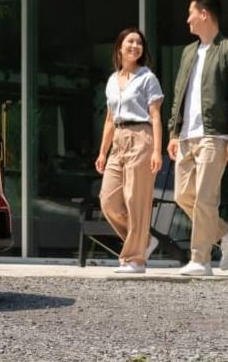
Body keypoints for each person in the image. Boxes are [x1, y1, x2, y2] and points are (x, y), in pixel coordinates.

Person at [167, 0, 228, 276]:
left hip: (215, 136)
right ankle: (227, 234)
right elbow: (180, 93)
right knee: (182, 194)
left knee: (204, 198)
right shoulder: (188, 52)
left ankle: (200, 260)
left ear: (204, 14)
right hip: (187, 137)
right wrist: (174, 133)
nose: (187, 19)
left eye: (191, 13)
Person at [95, 28, 164, 274]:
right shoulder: (113, 80)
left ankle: (136, 259)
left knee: (136, 199)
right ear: (119, 48)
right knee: (109, 200)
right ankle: (144, 241)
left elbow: (156, 116)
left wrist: (157, 150)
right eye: (130, 42)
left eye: (139, 43)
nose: (135, 46)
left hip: (141, 137)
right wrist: (103, 152)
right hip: (118, 140)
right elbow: (109, 119)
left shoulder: (147, 78)